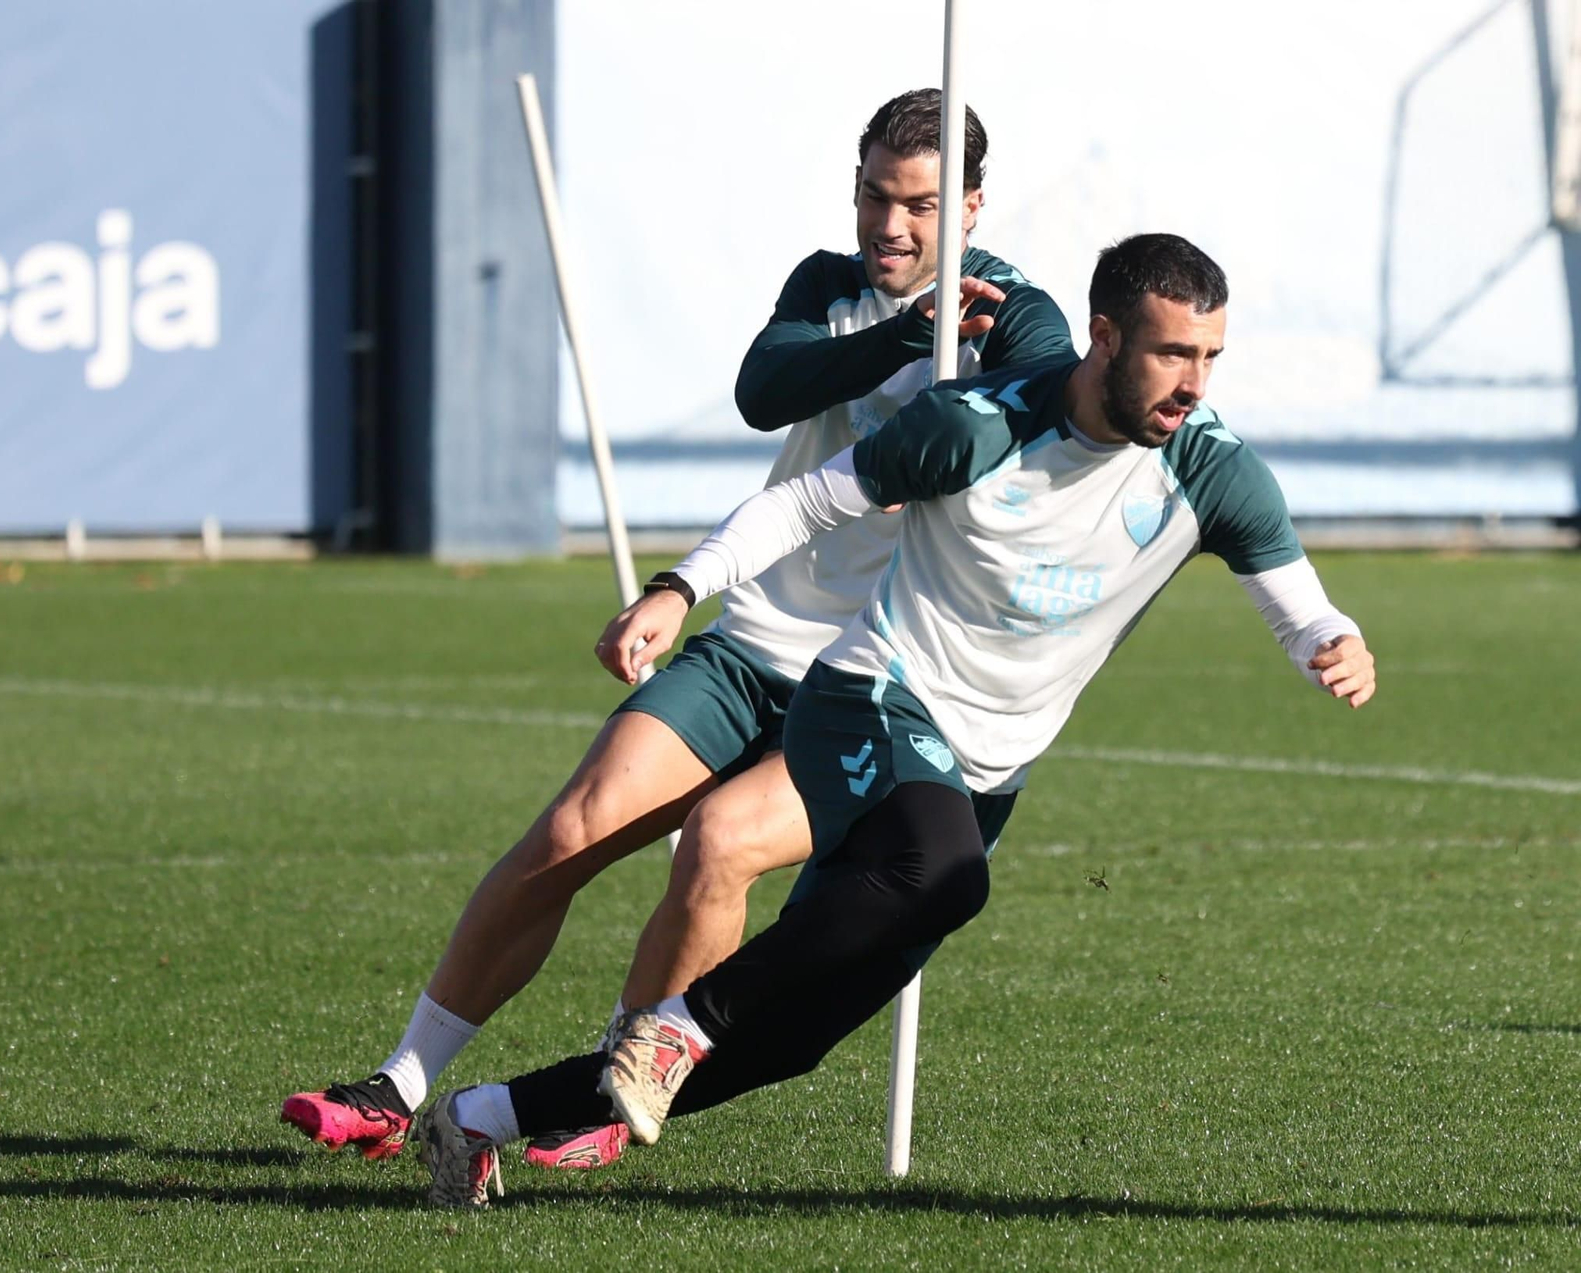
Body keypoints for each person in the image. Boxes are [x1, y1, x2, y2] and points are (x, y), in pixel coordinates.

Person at [412, 232, 1378, 1207]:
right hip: (870, 699)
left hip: (985, 769)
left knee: (784, 1041)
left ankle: (477, 1119)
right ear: (1104, 337)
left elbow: (1299, 605)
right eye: (1172, 353)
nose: (1193, 382)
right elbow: (799, 506)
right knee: (943, 874)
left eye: (1209, 356)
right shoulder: (972, 429)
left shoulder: (1209, 468)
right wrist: (679, 585)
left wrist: (1331, 643)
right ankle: (677, 1021)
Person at [281, 87, 1072, 1171]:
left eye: (922, 206)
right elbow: (765, 387)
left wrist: (957, 418)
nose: (891, 226)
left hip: (879, 685)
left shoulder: (1019, 315)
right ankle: (400, 1083)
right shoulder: (830, 288)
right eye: (875, 197)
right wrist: (898, 337)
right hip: (753, 642)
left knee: (718, 856)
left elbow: (1036, 408)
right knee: (573, 829)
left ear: (973, 207)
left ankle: (602, 1094)